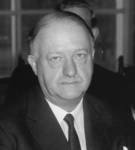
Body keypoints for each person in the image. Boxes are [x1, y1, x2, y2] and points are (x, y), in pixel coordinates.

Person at [0, 11, 134, 150]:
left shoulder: (120, 121)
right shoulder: (6, 129)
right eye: (56, 58)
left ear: (92, 56)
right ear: (34, 65)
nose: (70, 71)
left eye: (80, 55)